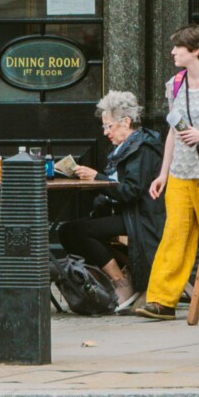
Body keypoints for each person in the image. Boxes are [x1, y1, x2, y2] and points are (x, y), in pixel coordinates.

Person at [135, 24, 199, 320]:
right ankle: (162, 300)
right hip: (180, 171)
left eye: (179, 47)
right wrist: (163, 173)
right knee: (174, 234)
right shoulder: (175, 84)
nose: (173, 51)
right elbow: (173, 132)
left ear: (195, 51)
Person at [56, 90, 165, 309]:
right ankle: (115, 276)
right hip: (124, 212)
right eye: (104, 127)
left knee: (75, 231)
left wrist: (97, 178)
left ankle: (120, 281)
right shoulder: (123, 148)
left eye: (109, 126)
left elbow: (132, 191)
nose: (106, 133)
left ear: (126, 122)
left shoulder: (142, 149)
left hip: (140, 216)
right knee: (68, 230)